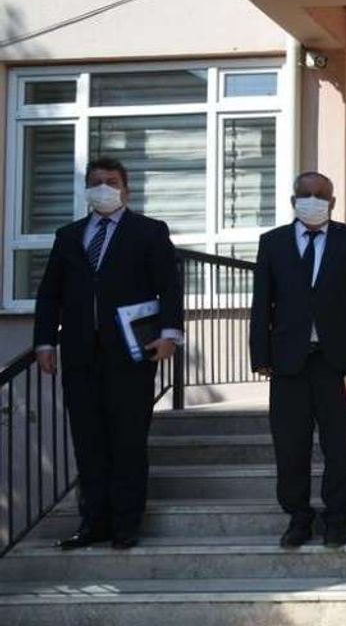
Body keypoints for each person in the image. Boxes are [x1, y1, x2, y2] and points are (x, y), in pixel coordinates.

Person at [34, 157, 183, 551]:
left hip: (131, 354)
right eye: (96, 181)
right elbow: (49, 294)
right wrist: (45, 342)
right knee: (88, 441)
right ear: (86, 189)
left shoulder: (149, 231)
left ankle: (126, 524)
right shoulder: (68, 236)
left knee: (128, 441)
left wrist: (170, 334)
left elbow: (169, 286)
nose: (103, 188)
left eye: (111, 181)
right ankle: (93, 523)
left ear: (125, 189)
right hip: (80, 355)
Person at [250, 171, 346, 549]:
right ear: (294, 200)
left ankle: (337, 518)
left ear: (333, 202)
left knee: (340, 446)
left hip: (339, 361)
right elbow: (262, 304)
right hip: (288, 362)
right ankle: (298, 517)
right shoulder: (272, 243)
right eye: (305, 194)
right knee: (290, 446)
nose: (312, 200)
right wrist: (260, 355)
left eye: (320, 194)